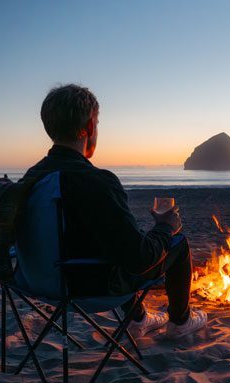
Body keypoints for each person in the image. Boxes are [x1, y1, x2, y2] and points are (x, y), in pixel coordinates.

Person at [17, 84, 207, 339]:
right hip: (93, 289)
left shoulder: (30, 180)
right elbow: (140, 258)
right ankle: (180, 322)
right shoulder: (97, 182)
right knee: (178, 243)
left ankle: (138, 318)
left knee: (110, 239)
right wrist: (166, 226)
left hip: (35, 282)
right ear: (90, 128)